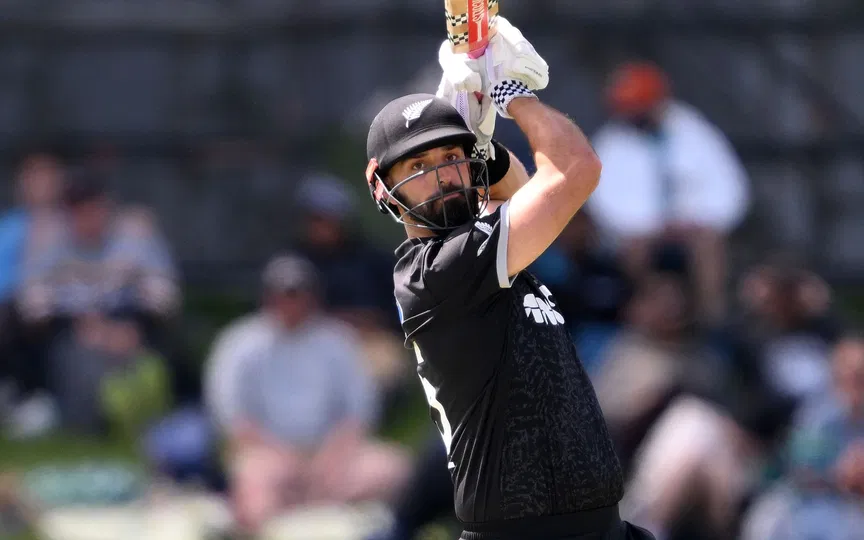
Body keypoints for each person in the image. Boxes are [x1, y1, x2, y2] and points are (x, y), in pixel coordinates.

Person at [362, 17, 654, 540]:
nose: (439, 175)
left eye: (450, 158)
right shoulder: (435, 272)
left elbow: (521, 192)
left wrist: (479, 139)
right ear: (383, 189)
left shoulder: (484, 249)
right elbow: (575, 169)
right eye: (417, 165)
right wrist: (511, 94)